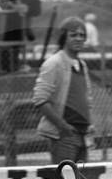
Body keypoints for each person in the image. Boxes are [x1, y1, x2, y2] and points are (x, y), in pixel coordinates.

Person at [33, 16, 94, 164]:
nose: (78, 39)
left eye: (82, 35)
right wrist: (63, 127)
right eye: (73, 35)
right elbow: (40, 99)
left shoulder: (82, 65)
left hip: (83, 134)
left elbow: (87, 99)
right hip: (65, 136)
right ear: (63, 37)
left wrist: (90, 124)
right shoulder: (54, 63)